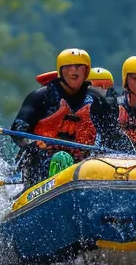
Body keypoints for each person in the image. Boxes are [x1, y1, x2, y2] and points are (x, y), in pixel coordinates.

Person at [10, 48, 123, 184]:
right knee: (61, 159)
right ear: (61, 71)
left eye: (79, 67)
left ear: (86, 71)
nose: (73, 71)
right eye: (68, 67)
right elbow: (17, 130)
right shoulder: (40, 97)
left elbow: (113, 134)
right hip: (40, 161)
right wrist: (31, 143)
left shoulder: (96, 101)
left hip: (80, 163)